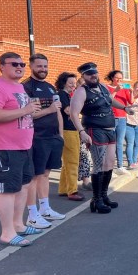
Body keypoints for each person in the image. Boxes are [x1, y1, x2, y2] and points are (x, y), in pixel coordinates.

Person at [0, 52, 42, 246]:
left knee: (23, 186)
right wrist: (26, 110)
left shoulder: (19, 87)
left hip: (23, 146)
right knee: (7, 190)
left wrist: (32, 111)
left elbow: (24, 114)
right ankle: (7, 233)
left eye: (22, 64)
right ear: (1, 66)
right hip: (3, 148)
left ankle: (18, 225)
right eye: (14, 64)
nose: (20, 67)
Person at [70, 62, 134, 214]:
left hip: (109, 129)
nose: (93, 76)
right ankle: (96, 199)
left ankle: (104, 196)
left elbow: (110, 100)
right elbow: (73, 113)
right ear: (83, 76)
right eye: (89, 74)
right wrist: (81, 132)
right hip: (95, 129)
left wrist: (124, 108)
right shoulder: (81, 91)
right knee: (98, 164)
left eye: (95, 73)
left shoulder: (103, 87)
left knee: (109, 163)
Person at [22, 53, 66, 229]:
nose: (43, 69)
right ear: (31, 66)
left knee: (46, 174)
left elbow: (58, 111)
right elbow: (27, 114)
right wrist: (49, 110)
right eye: (39, 66)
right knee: (34, 176)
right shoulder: (26, 87)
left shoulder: (50, 87)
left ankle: (45, 208)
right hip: (37, 137)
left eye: (45, 66)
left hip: (53, 137)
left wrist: (60, 134)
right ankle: (32, 215)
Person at [55, 72, 84, 201]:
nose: (73, 85)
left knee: (67, 162)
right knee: (73, 161)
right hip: (68, 130)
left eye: (74, 82)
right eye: (70, 82)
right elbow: (68, 111)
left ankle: (63, 189)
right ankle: (72, 190)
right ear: (64, 83)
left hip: (70, 130)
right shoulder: (63, 94)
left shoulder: (66, 95)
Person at [105, 70, 130, 175]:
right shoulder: (107, 87)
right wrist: (116, 90)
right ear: (112, 78)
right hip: (111, 117)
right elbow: (107, 101)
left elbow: (130, 101)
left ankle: (120, 166)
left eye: (121, 78)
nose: (119, 80)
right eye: (117, 78)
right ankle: (108, 168)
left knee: (119, 143)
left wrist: (132, 92)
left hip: (122, 118)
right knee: (110, 143)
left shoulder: (124, 88)